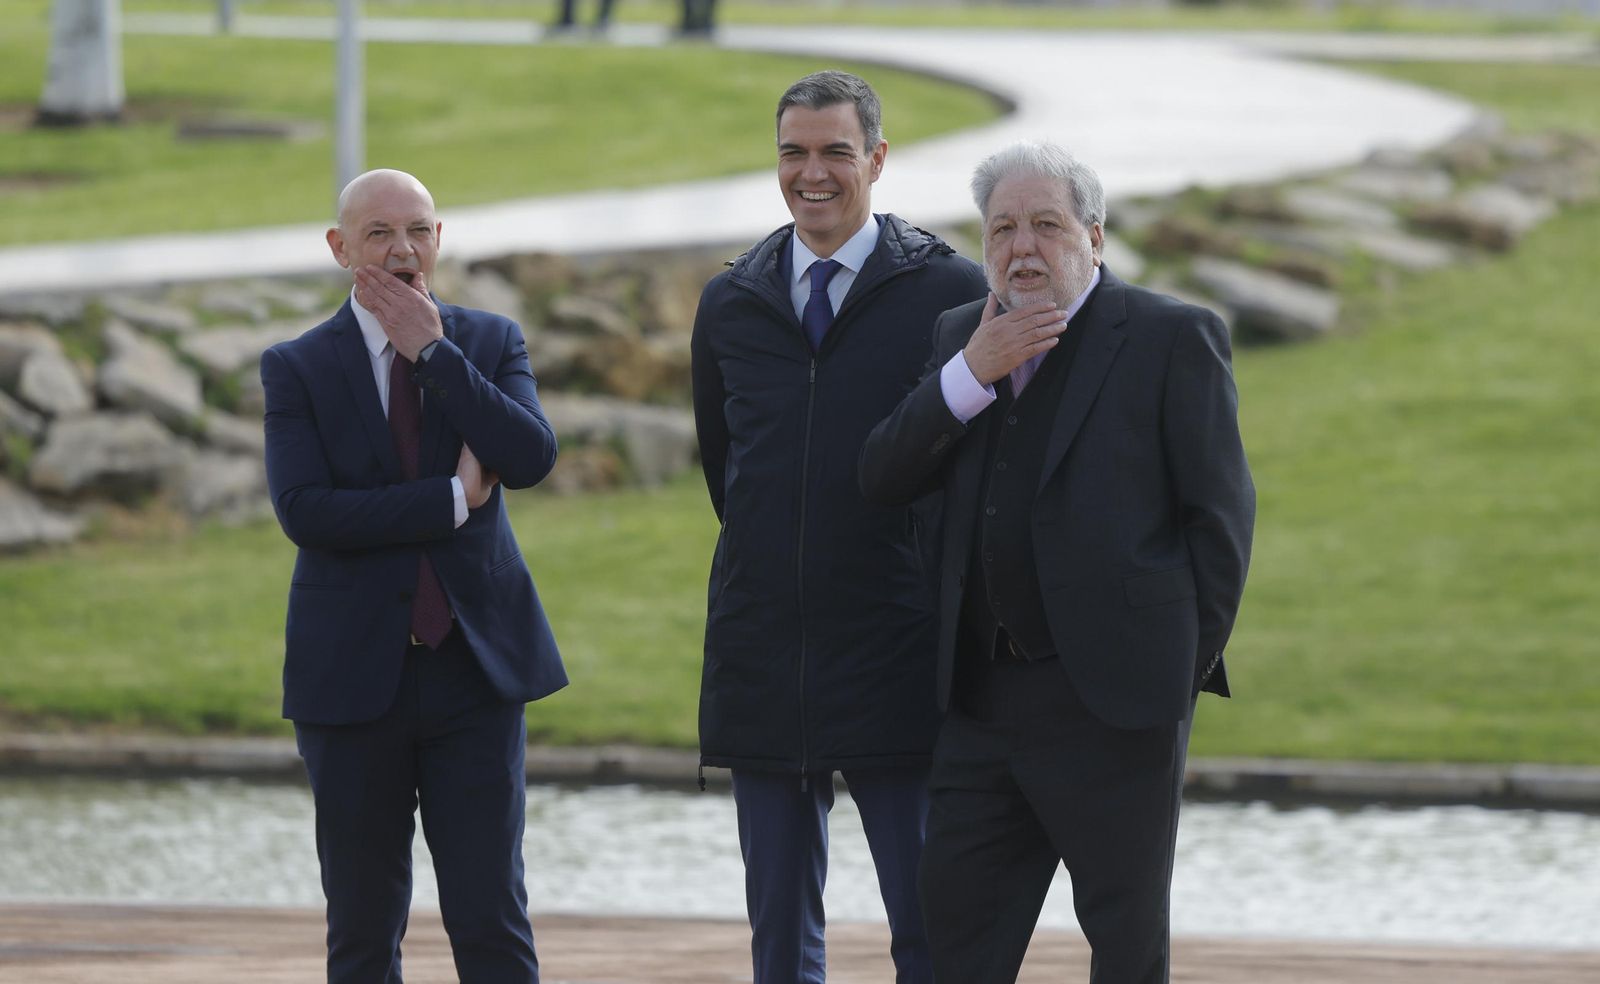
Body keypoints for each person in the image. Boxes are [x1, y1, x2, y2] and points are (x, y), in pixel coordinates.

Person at [859, 141, 1255, 983]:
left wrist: (1169, 671)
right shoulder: (959, 335)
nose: (1022, 248)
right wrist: (971, 374)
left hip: (1115, 711)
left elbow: (1219, 528)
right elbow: (884, 477)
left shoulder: (1172, 337)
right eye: (1002, 229)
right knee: (956, 947)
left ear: (1095, 238)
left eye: (1046, 225)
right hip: (978, 705)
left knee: (1124, 950)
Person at [690, 70, 988, 983]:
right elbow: (727, 475)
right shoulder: (730, 302)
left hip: (899, 651)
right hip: (765, 656)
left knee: (931, 933)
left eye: (834, 153)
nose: (811, 174)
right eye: (793, 152)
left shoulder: (948, 291)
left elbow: (973, 478)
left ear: (878, 159)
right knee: (779, 944)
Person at [261, 168, 566, 984]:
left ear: (440, 239)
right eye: (379, 235)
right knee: (361, 924)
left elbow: (530, 456)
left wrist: (432, 352)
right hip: (353, 677)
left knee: (491, 915)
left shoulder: (490, 341)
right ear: (339, 248)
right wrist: (450, 501)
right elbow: (307, 513)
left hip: (475, 671)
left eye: (420, 231)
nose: (404, 252)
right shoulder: (296, 366)